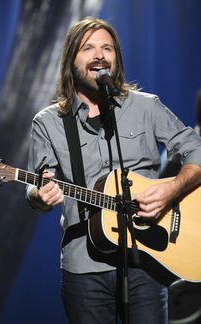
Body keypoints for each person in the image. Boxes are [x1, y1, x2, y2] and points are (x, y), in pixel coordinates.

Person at [26, 17, 201, 324]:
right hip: (84, 271)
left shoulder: (146, 107)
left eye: (107, 48)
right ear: (70, 59)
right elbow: (34, 187)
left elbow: (196, 149)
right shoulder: (48, 122)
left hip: (146, 261)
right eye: (89, 47)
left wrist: (171, 190)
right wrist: (41, 195)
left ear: (116, 59)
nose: (100, 55)